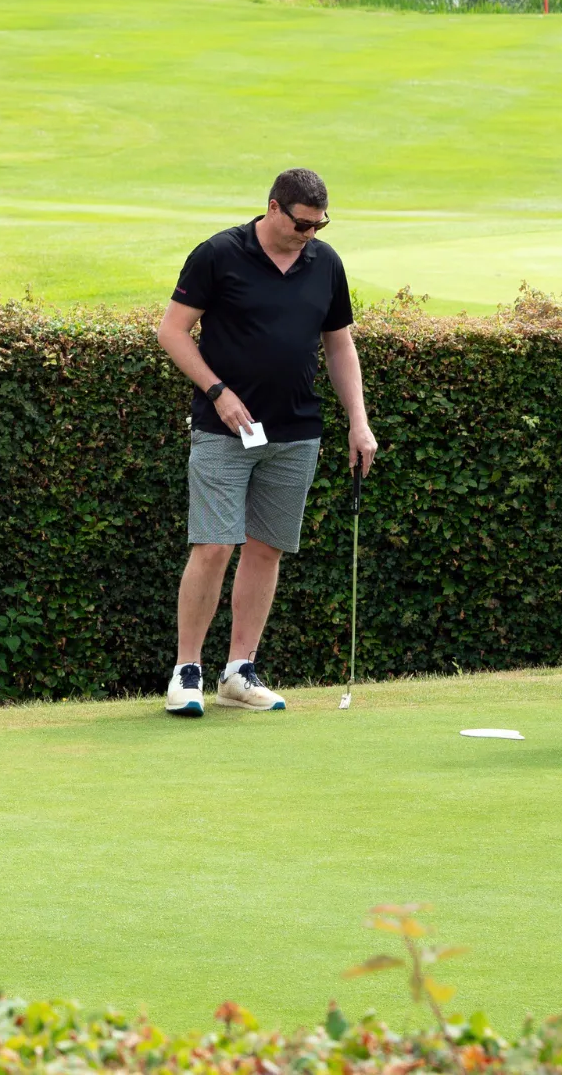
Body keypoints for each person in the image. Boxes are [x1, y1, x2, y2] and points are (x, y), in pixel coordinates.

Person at [156, 168, 377, 716]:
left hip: (296, 430)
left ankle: (239, 671)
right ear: (274, 207)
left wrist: (359, 419)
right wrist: (218, 393)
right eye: (302, 223)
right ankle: (188, 671)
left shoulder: (324, 262)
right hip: (223, 427)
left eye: (319, 225)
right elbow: (172, 331)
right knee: (214, 544)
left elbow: (339, 346)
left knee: (266, 547)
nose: (309, 234)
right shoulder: (218, 254)